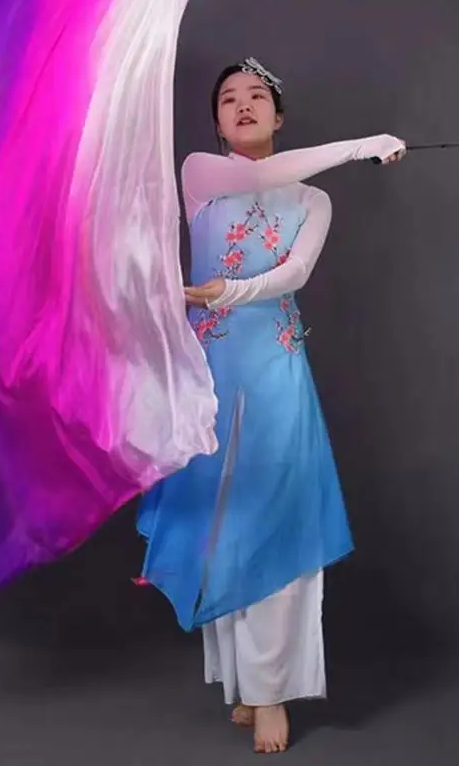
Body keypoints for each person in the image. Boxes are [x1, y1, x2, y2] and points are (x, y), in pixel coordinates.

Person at [136, 58, 405, 753]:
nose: (243, 105)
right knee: (223, 523)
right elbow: (259, 178)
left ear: (279, 116)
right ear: (217, 121)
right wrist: (360, 145)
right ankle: (242, 681)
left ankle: (271, 690)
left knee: (277, 526)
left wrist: (225, 293)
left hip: (278, 374)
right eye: (229, 99)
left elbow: (294, 274)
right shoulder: (200, 175)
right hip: (207, 378)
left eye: (258, 96)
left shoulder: (313, 202)